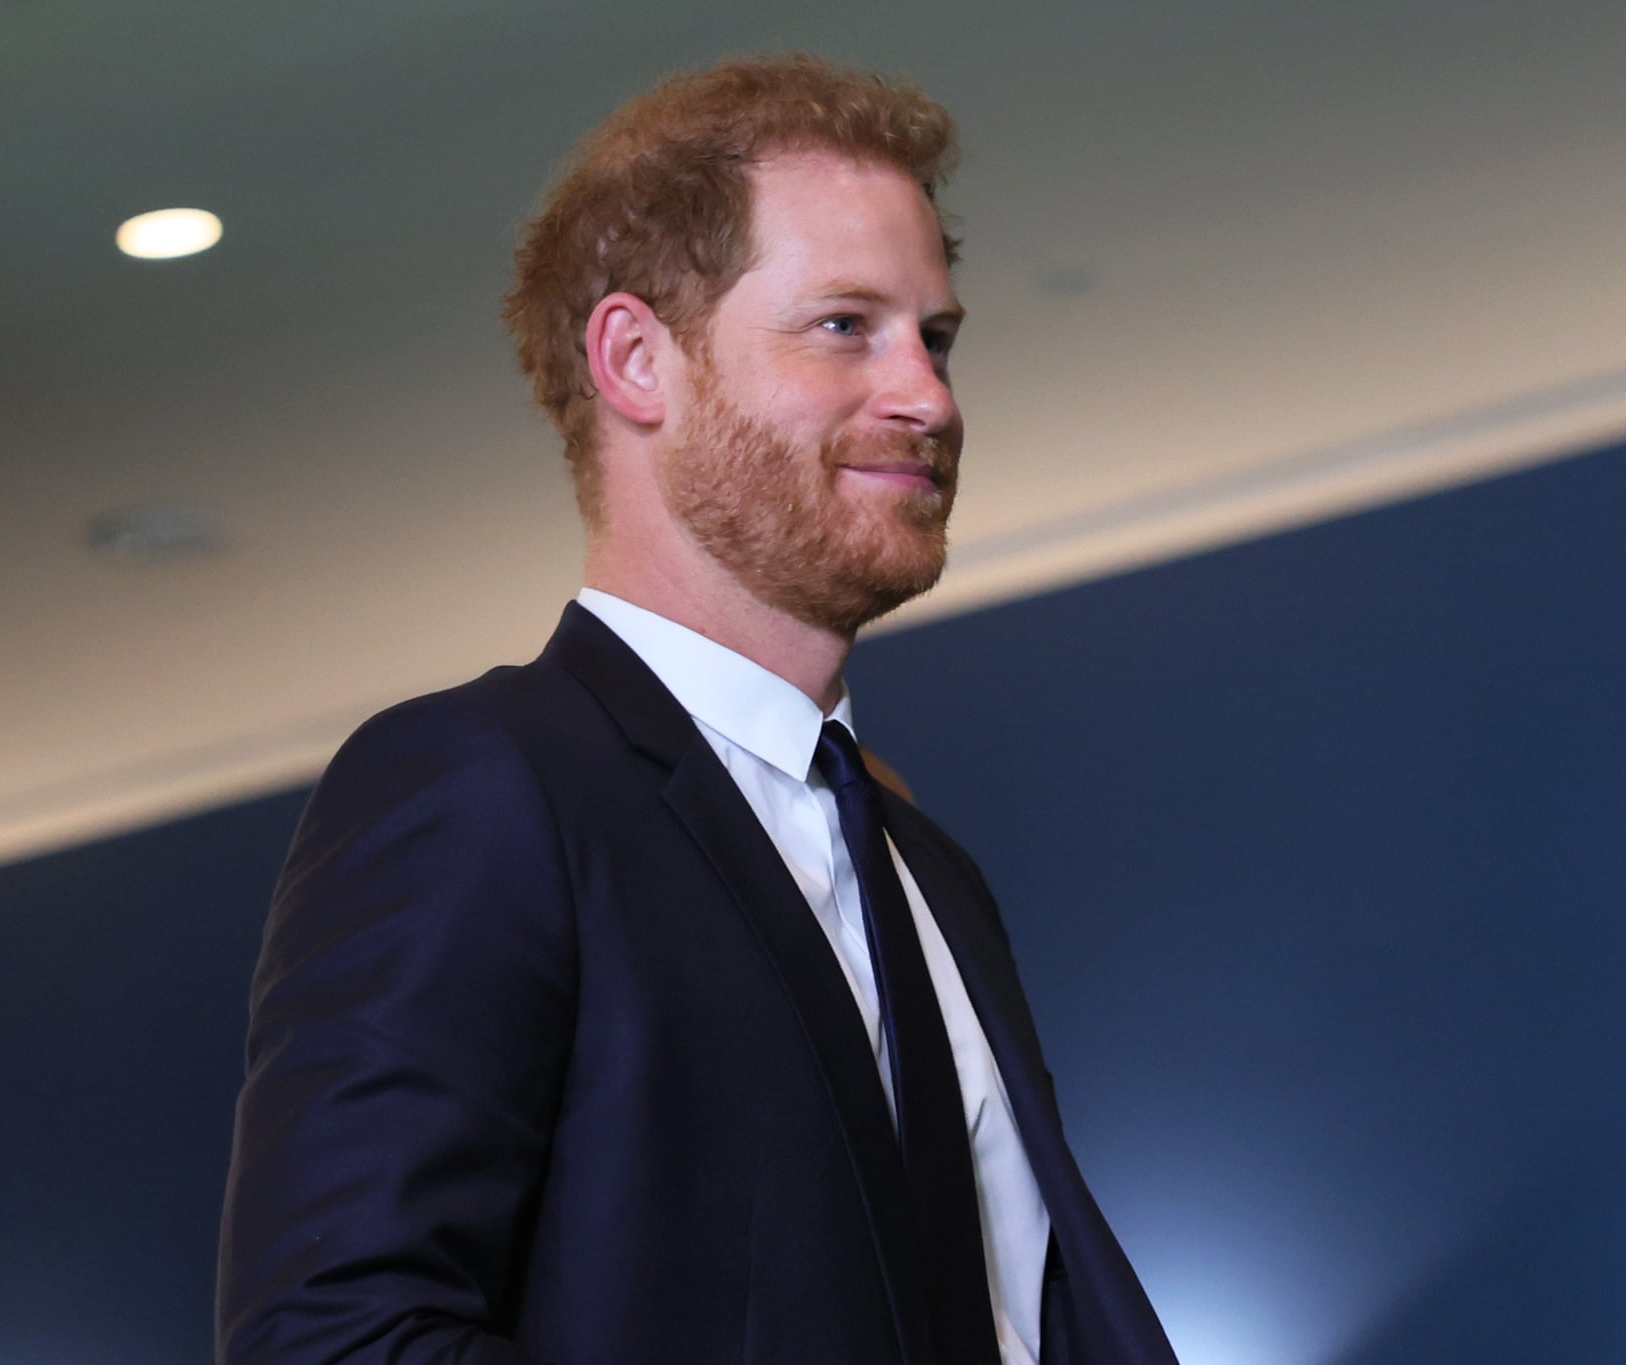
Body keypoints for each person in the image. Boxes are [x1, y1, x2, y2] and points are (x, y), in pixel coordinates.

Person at [216, 53, 1177, 1365]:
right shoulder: (484, 787)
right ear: (635, 359)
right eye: (847, 325)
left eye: (935, 336)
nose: (930, 397)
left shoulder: (930, 874)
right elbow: (334, 1344)